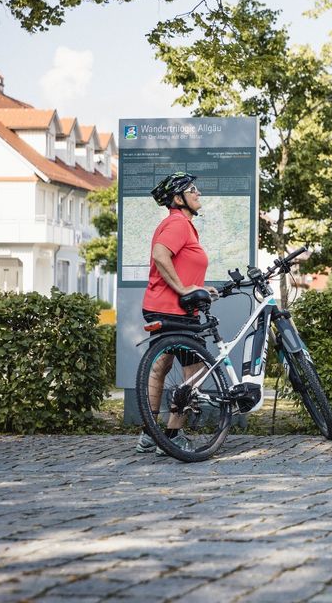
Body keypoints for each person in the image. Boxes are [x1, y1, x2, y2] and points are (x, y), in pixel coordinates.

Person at [136, 172, 218, 455]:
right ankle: (171, 435)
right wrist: (184, 289)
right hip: (176, 310)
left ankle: (149, 435)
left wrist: (196, 287)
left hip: (162, 305)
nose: (198, 194)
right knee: (195, 372)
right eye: (192, 190)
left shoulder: (179, 224)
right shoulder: (178, 223)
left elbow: (178, 261)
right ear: (177, 198)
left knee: (160, 367)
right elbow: (161, 255)